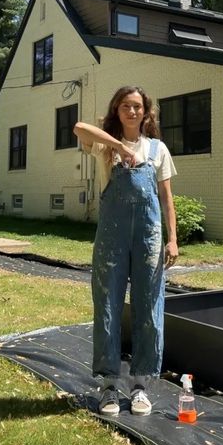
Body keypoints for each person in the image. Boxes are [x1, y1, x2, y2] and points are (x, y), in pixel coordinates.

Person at [73, 86, 178, 418]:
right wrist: (119, 146)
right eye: (125, 107)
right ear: (117, 111)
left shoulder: (158, 149)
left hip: (148, 239)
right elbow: (78, 128)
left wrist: (172, 238)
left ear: (146, 112)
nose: (132, 112)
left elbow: (166, 199)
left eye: (137, 107)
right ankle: (108, 386)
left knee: (149, 308)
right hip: (111, 239)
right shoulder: (105, 146)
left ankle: (141, 386)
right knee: (108, 307)